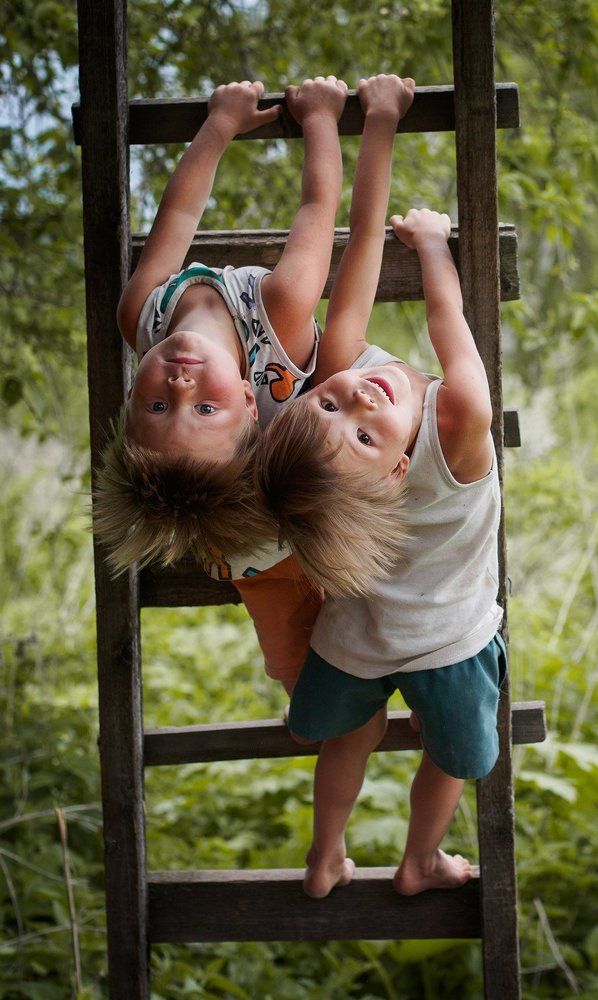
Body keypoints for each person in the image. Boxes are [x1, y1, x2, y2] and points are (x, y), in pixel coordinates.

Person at [255, 88, 504, 895]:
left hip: (356, 639)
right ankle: (420, 859)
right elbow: (446, 316)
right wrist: (432, 243)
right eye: (361, 432)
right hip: (449, 641)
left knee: (349, 734)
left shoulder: (351, 376)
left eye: (328, 402)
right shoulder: (459, 419)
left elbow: (358, 241)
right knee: (448, 754)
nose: (356, 397)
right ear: (397, 472)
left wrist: (382, 123)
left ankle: (325, 855)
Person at [93, 75, 411, 694]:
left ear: (133, 397)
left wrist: (219, 125)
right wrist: (320, 119)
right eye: (204, 406)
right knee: (293, 648)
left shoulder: (141, 314)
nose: (183, 382)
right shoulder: (282, 315)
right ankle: (322, 710)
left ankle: (373, 690)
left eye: (161, 402)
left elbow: (178, 215)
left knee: (360, 616)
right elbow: (317, 210)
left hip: (282, 512)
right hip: (251, 534)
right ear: (245, 399)